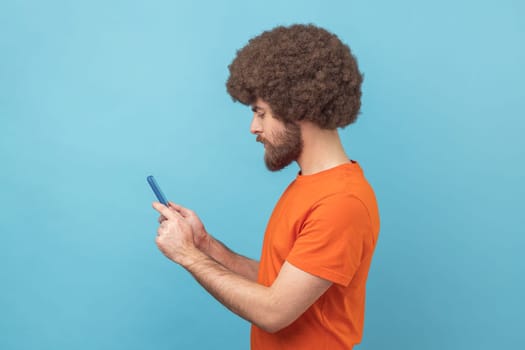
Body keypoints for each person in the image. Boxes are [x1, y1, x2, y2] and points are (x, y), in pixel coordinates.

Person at [152, 24, 380, 350]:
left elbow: (274, 311)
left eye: (260, 113)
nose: (253, 127)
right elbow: (280, 284)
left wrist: (186, 255)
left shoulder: (341, 202)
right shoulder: (310, 186)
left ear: (298, 109)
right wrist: (205, 245)